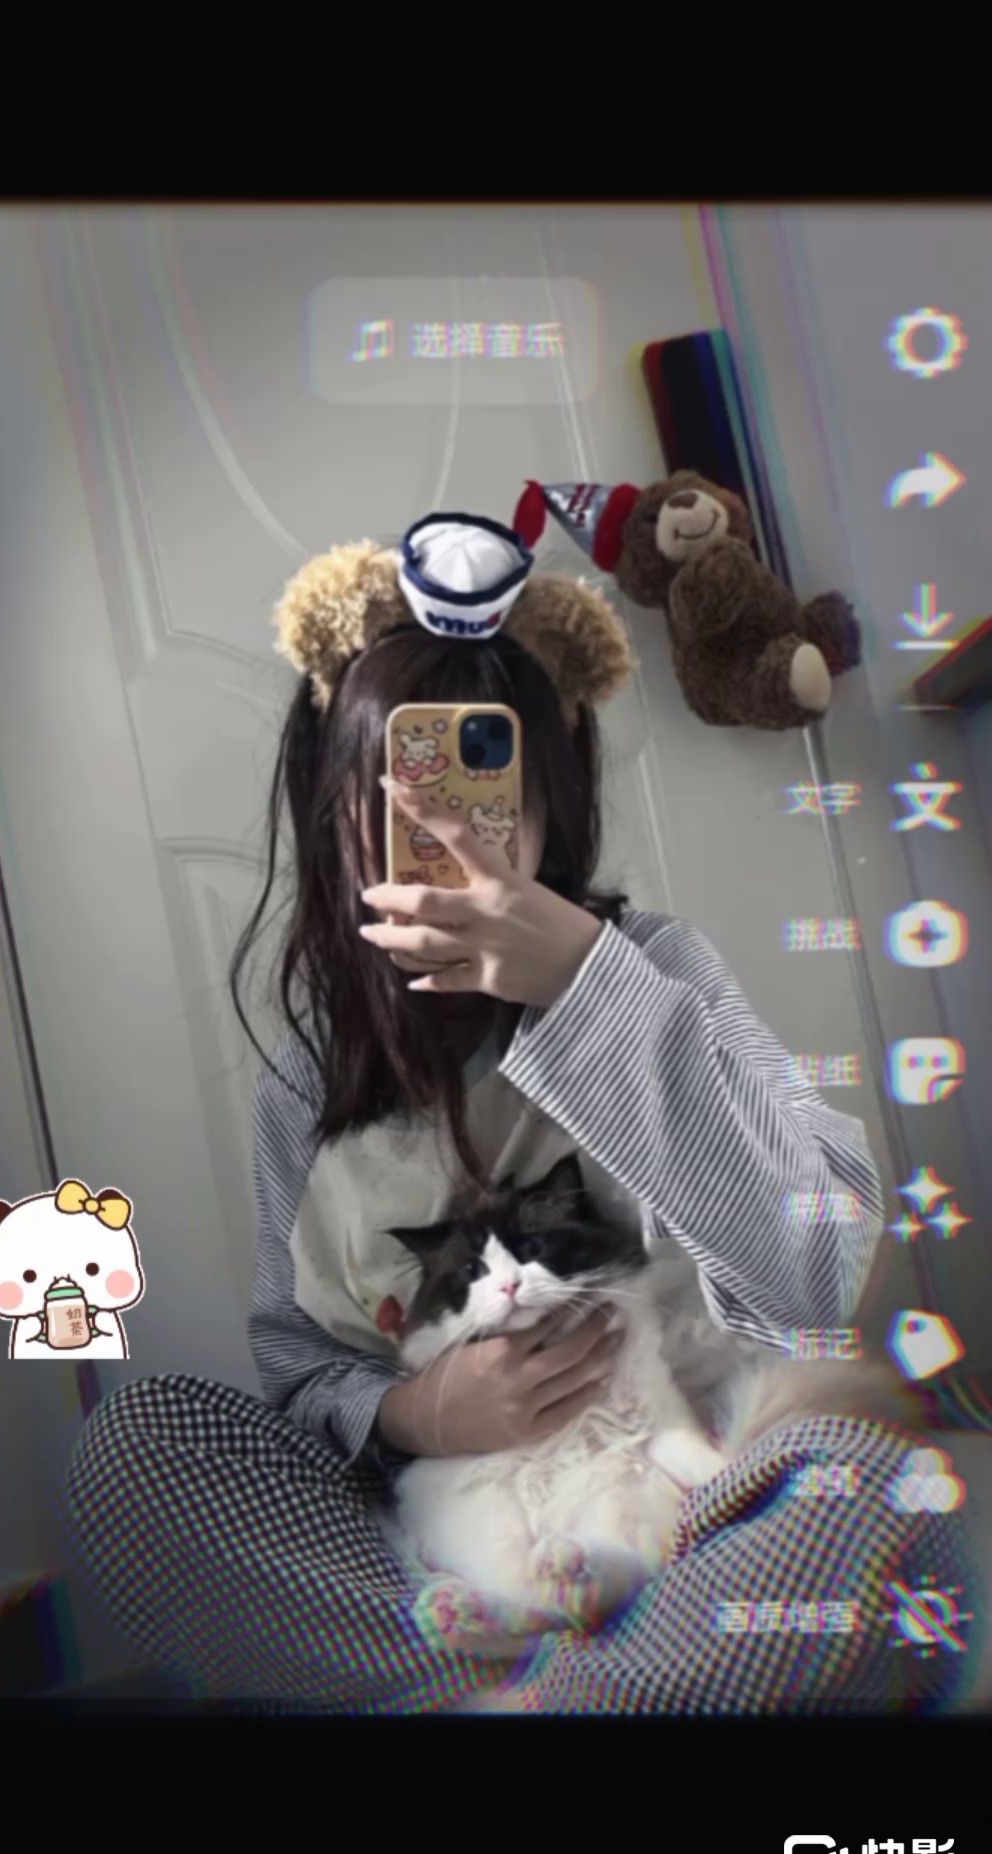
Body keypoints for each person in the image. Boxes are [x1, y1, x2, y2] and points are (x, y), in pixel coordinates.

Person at [65, 511, 971, 1714]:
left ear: (551, 803)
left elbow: (814, 1273)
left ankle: (538, 1698)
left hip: (685, 1508)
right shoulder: (308, 1082)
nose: (445, 827)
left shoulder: (656, 968)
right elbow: (301, 1371)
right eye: (397, 787)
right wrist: (416, 1411)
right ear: (334, 813)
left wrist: (589, 990)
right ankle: (584, 1692)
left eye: (484, 780)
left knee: (867, 1496)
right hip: (464, 1547)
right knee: (139, 1450)